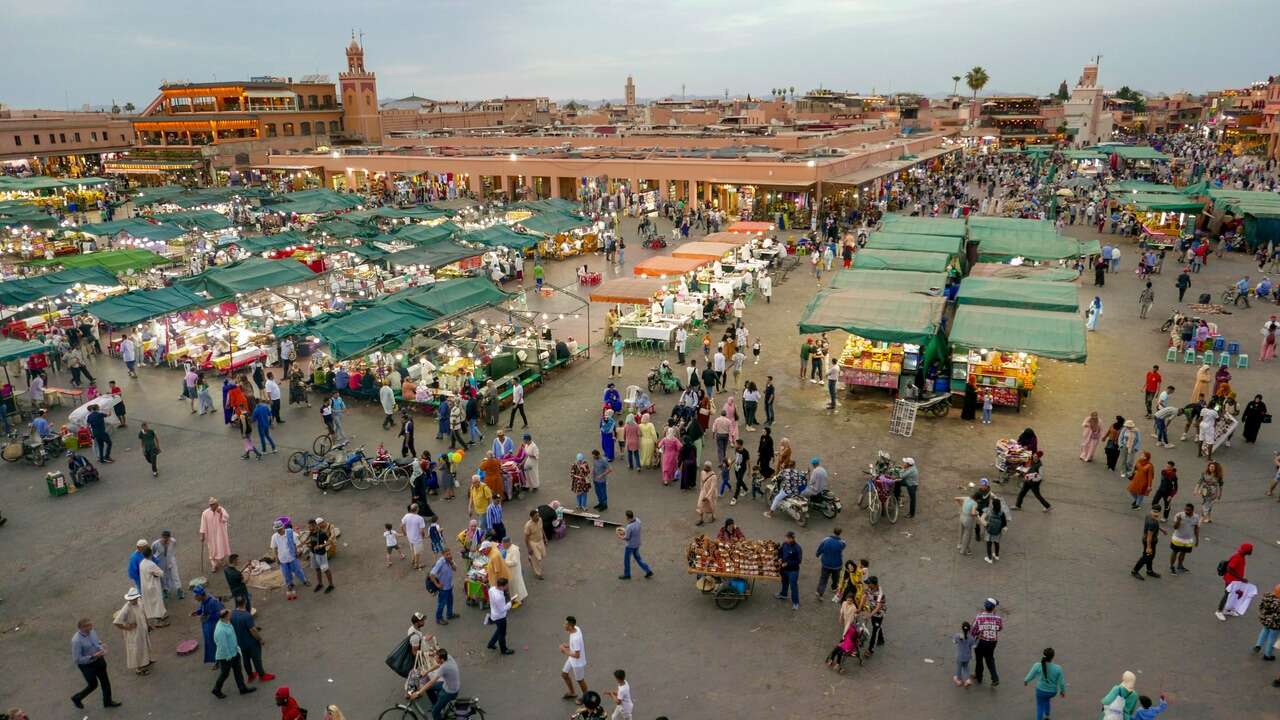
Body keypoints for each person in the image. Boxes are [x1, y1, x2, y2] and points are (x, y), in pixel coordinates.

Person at [70, 617, 120, 709]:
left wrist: (101, 645)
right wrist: (93, 656)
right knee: (93, 685)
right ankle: (77, 698)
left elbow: (96, 641)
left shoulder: (92, 631)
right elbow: (77, 659)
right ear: (81, 628)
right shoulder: (76, 641)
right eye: (88, 626)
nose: (91, 628)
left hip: (99, 660)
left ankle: (107, 702)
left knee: (105, 682)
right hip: (87, 666)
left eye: (91, 625)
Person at [211, 608, 257, 698]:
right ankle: (216, 689)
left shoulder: (226, 623)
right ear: (226, 616)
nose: (231, 615)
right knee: (225, 673)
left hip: (234, 652)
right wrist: (229, 656)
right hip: (226, 656)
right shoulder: (220, 630)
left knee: (238, 671)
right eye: (230, 614)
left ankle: (242, 688)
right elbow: (222, 645)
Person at [231, 595, 273, 683]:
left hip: (240, 642)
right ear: (245, 602)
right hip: (251, 642)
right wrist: (260, 639)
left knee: (246, 660)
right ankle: (262, 675)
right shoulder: (247, 615)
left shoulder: (232, 614)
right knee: (256, 659)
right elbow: (252, 630)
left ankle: (250, 675)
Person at [112, 588, 152, 676]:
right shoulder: (126, 608)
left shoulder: (140, 602)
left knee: (145, 645)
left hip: (142, 629)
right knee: (136, 650)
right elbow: (116, 622)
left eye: (134, 599)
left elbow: (143, 613)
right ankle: (139, 668)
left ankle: (146, 661)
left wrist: (147, 625)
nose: (133, 600)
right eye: (131, 599)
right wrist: (127, 627)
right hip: (134, 633)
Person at [1023, 648, 1066, 720]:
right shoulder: (1058, 668)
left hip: (1040, 691)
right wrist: (1062, 691)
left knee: (1040, 706)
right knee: (1047, 700)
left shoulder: (1037, 665)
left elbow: (1031, 675)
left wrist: (1026, 681)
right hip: (1052, 692)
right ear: (1053, 656)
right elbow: (1061, 683)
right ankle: (1047, 716)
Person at [1216, 543, 1253, 621]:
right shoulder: (1237, 557)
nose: (1252, 551)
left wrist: (1240, 579)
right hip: (1230, 580)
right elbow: (1229, 569)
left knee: (1233, 595)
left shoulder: (1242, 556)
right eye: (1251, 550)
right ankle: (1219, 611)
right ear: (1247, 551)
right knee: (1227, 594)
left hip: (1236, 581)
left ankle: (1227, 610)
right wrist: (1241, 578)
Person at [971, 598, 1003, 686]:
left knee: (979, 659)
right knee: (990, 659)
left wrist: (977, 634)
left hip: (981, 642)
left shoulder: (979, 617)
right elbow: (1000, 628)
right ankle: (995, 678)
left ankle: (979, 676)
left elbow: (973, 631)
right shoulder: (998, 618)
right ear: (993, 608)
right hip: (992, 642)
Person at [270, 520, 305, 600]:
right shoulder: (274, 537)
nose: (279, 531)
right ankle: (289, 584)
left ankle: (304, 580)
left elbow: (297, 543)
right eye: (277, 530)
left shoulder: (290, 533)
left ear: (283, 527)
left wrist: (297, 551)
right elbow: (274, 548)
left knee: (298, 570)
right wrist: (276, 558)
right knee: (286, 573)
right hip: (282, 559)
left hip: (292, 556)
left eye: (280, 529)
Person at [560, 616, 588, 701]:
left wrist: (565, 651)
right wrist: (568, 646)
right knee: (564, 674)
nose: (563, 625)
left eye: (565, 624)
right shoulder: (576, 628)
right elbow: (576, 646)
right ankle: (572, 692)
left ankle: (586, 697)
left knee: (580, 680)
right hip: (571, 659)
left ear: (570, 626)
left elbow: (577, 655)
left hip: (577, 663)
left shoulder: (576, 638)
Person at [618, 510, 652, 579]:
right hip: (637, 543)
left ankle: (627, 574)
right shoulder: (638, 520)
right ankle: (648, 570)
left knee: (626, 560)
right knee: (638, 558)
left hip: (630, 546)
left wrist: (620, 537)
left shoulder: (629, 527)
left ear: (627, 517)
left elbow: (627, 537)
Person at [200, 497, 231, 573]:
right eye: (212, 505)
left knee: (221, 547)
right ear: (210, 505)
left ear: (217, 504)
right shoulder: (205, 513)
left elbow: (226, 518)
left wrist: (221, 513)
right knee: (212, 550)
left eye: (216, 505)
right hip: (210, 535)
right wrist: (202, 535)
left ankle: (222, 561)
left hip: (220, 534)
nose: (214, 507)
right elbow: (203, 525)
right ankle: (214, 565)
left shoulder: (221, 510)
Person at [1132, 508, 1164, 580]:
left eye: (1157, 512)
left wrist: (1161, 530)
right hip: (1149, 541)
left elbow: (1155, 525)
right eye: (1155, 512)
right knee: (1146, 557)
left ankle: (1149, 571)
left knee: (1150, 556)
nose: (1156, 515)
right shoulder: (1153, 522)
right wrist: (1148, 547)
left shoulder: (1148, 516)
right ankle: (1135, 571)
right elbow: (1149, 536)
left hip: (1146, 539)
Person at [429, 549, 460, 625]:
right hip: (443, 589)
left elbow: (455, 569)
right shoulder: (440, 562)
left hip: (449, 586)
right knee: (441, 604)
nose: (449, 555)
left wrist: (451, 562)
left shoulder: (450, 561)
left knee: (450, 601)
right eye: (447, 554)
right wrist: (437, 584)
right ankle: (439, 618)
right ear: (443, 555)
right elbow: (431, 574)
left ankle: (449, 614)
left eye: (450, 554)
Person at [486, 577, 514, 655]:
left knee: (499, 630)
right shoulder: (499, 597)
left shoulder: (491, 590)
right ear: (502, 586)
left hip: (494, 614)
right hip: (500, 617)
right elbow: (502, 609)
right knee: (502, 633)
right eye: (506, 586)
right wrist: (510, 603)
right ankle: (504, 649)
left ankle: (491, 644)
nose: (507, 587)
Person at [815, 528, 846, 598]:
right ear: (840, 533)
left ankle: (820, 591)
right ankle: (834, 587)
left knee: (823, 578)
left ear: (833, 532)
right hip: (837, 565)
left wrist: (817, 554)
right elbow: (843, 547)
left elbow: (820, 548)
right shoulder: (842, 542)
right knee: (836, 578)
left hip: (826, 563)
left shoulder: (826, 540)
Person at [775, 531, 802, 610]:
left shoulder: (797, 548)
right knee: (784, 582)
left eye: (787, 538)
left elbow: (798, 561)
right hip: (784, 569)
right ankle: (783, 594)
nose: (785, 539)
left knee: (793, 586)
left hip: (793, 571)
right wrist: (780, 558)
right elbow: (780, 552)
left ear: (791, 538)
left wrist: (787, 563)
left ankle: (795, 603)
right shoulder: (785, 544)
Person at [981, 497, 1008, 564]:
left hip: (989, 531)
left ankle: (989, 558)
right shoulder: (1002, 513)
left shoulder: (989, 511)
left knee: (989, 544)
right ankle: (996, 555)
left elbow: (984, 520)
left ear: (992, 505)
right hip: (998, 531)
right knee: (996, 543)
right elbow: (1004, 523)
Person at [953, 621, 975, 688]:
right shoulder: (971, 637)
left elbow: (954, 642)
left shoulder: (957, 635)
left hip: (959, 656)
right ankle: (967, 680)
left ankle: (958, 679)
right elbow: (973, 646)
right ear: (969, 629)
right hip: (967, 656)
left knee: (959, 668)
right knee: (966, 667)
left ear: (962, 628)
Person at [695, 461, 717, 525]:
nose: (704, 467)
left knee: (711, 505)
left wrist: (707, 497)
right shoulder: (702, 472)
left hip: (711, 494)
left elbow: (712, 488)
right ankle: (701, 519)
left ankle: (713, 516)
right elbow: (701, 481)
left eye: (706, 467)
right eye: (704, 466)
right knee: (700, 505)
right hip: (703, 491)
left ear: (709, 468)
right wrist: (701, 490)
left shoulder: (713, 476)